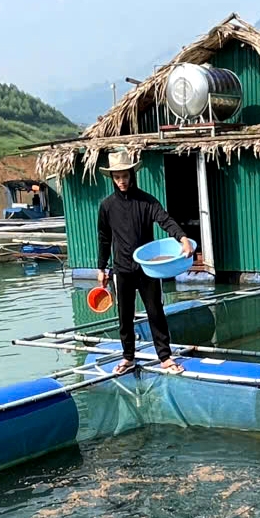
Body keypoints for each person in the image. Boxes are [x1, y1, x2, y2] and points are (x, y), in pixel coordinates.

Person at [96, 148, 195, 375]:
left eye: (125, 176)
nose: (122, 181)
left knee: (155, 312)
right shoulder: (107, 206)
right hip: (122, 269)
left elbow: (165, 220)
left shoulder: (147, 201)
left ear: (132, 174)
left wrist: (182, 238)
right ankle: (128, 357)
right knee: (125, 315)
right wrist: (101, 267)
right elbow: (104, 238)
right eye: (117, 177)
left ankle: (165, 357)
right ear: (112, 178)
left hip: (147, 268)